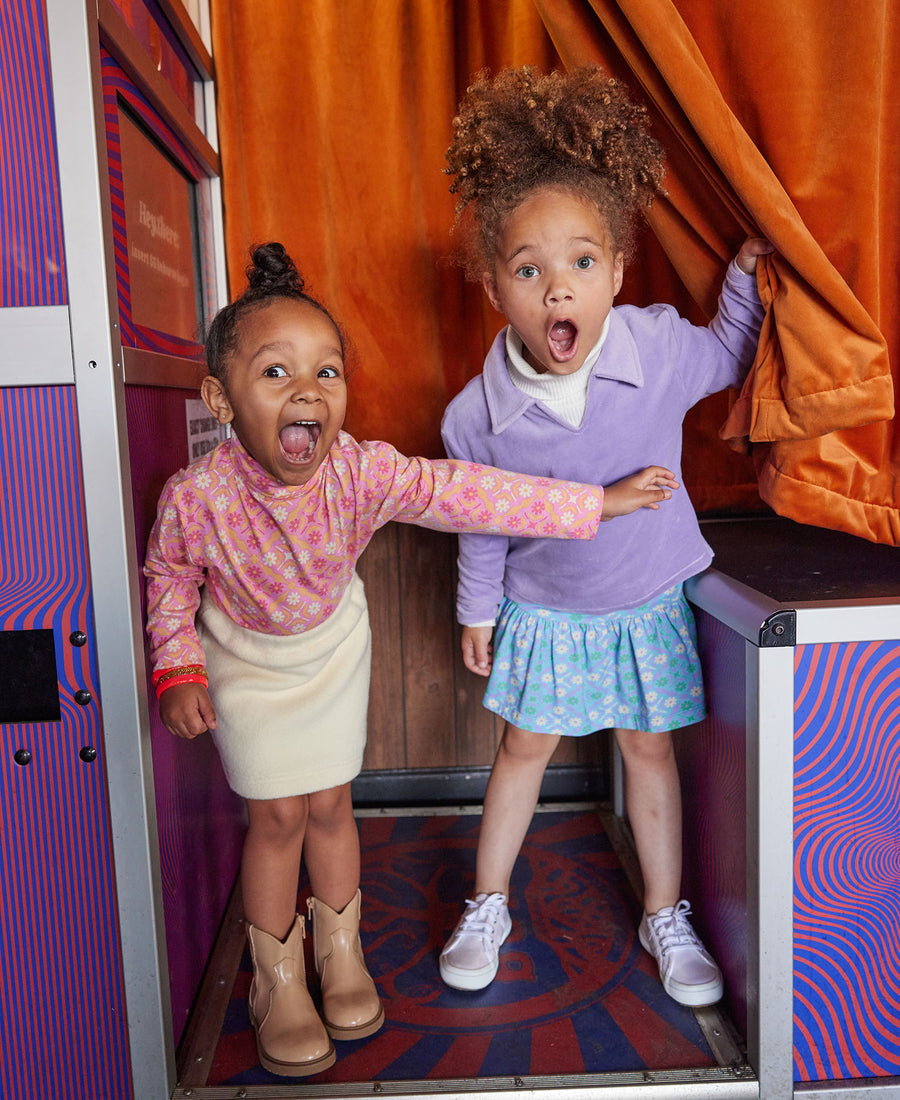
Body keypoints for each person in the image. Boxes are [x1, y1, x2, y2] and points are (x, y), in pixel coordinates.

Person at [143, 241, 680, 1077]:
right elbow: (170, 577)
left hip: (330, 651)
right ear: (220, 397)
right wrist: (177, 669)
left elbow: (471, 490)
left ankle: (339, 952)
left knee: (329, 803)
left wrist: (598, 504)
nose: (308, 394)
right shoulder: (197, 495)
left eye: (327, 374)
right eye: (276, 374)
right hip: (244, 662)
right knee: (278, 816)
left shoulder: (359, 472)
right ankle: (277, 980)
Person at [438, 65, 774, 1007]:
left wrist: (745, 280)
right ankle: (487, 902)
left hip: (648, 599)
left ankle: (665, 914)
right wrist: (478, 612)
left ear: (619, 273)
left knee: (648, 752)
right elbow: (480, 521)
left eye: (583, 263)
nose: (560, 289)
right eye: (529, 269)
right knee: (521, 753)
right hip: (543, 612)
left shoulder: (657, 346)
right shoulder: (477, 416)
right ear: (495, 286)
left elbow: (725, 353)